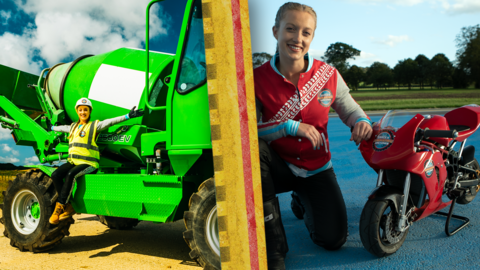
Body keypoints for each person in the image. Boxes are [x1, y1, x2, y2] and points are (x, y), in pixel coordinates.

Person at [254, 2, 372, 269]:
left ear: (312, 37)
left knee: (333, 239)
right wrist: (289, 127)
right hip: (278, 166)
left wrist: (361, 121)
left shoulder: (328, 74)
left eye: (306, 32)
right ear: (276, 31)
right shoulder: (256, 78)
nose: (298, 39)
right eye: (291, 29)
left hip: (316, 167)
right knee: (253, 150)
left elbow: (350, 108)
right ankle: (273, 246)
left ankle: (302, 199)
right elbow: (247, 130)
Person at [48, 98, 144, 225]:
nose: (83, 112)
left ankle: (59, 208)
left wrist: (128, 116)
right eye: (80, 110)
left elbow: (110, 122)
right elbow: (62, 128)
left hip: (89, 164)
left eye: (85, 110)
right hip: (74, 161)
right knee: (55, 175)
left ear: (89, 111)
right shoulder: (72, 127)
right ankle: (69, 205)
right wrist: (52, 127)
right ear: (77, 112)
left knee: (71, 175)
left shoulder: (94, 126)